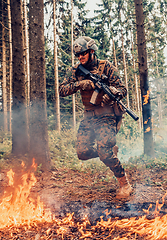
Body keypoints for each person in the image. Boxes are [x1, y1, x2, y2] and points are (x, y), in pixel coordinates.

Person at [59, 36, 133, 199]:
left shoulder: (106, 67)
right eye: (78, 55)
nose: (80, 58)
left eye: (83, 54)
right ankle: (106, 151)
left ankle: (124, 183)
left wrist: (113, 92)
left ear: (92, 52)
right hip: (88, 117)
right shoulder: (76, 70)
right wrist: (80, 84)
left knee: (104, 151)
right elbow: (62, 90)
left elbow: (122, 89)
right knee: (82, 152)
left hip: (107, 115)